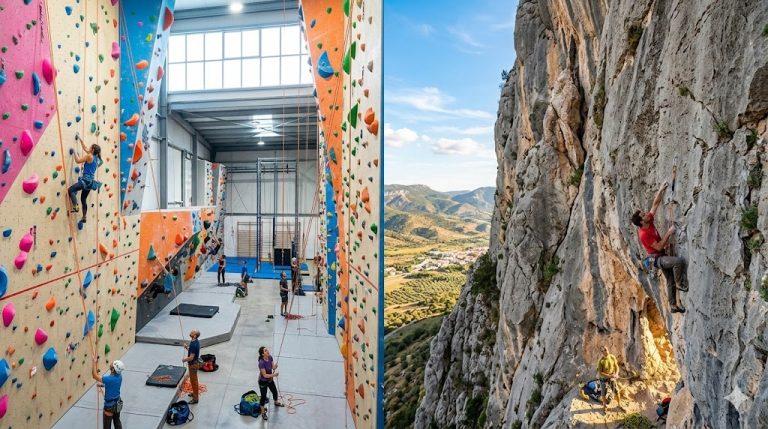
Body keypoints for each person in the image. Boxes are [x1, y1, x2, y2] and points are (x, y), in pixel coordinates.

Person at [631, 182, 688, 313]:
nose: (646, 214)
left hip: (661, 254)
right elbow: (658, 247)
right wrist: (669, 232)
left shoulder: (648, 221)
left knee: (669, 279)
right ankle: (680, 284)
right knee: (678, 262)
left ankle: (673, 306)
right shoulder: (644, 234)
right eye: (643, 215)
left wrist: (661, 190)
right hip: (657, 259)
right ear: (641, 222)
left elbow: (655, 205)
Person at [68, 133, 101, 223]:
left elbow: (78, 160)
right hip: (90, 183)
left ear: (93, 149)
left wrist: (74, 151)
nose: (89, 148)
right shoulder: (96, 158)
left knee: (70, 190)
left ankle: (75, 206)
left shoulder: (89, 156)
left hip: (85, 181)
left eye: (91, 147)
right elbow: (85, 148)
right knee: (83, 199)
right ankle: (84, 216)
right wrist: (80, 139)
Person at [92, 359, 125, 429]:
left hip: (110, 406)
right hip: (118, 403)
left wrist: (94, 363)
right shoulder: (120, 376)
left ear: (113, 369)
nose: (111, 363)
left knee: (107, 426)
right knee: (117, 421)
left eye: (112, 364)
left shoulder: (108, 379)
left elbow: (94, 376)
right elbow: (113, 385)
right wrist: (102, 385)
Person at [257, 346, 284, 420]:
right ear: (262, 354)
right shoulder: (261, 363)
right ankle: (263, 412)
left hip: (270, 380)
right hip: (263, 382)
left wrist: (275, 367)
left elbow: (273, 368)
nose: (267, 351)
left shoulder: (270, 357)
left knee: (275, 392)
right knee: (263, 397)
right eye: (265, 351)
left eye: (267, 350)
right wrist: (274, 375)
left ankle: (276, 402)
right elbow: (265, 375)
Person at [597, 346, 624, 412]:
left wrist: (617, 373)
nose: (606, 351)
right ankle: (605, 406)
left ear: (608, 349)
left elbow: (616, 366)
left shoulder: (612, 357)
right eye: (603, 351)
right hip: (604, 379)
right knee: (603, 393)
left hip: (612, 377)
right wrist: (610, 376)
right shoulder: (601, 361)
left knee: (617, 391)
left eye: (606, 350)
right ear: (602, 352)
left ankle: (619, 404)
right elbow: (600, 373)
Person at [181, 329, 201, 404]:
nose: (191, 332)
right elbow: (192, 351)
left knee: (194, 382)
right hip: (193, 364)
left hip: (193, 365)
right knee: (193, 381)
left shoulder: (194, 344)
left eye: (192, 332)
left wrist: (184, 360)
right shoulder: (194, 342)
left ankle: (196, 399)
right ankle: (194, 393)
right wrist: (186, 347)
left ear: (195, 335)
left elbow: (191, 357)